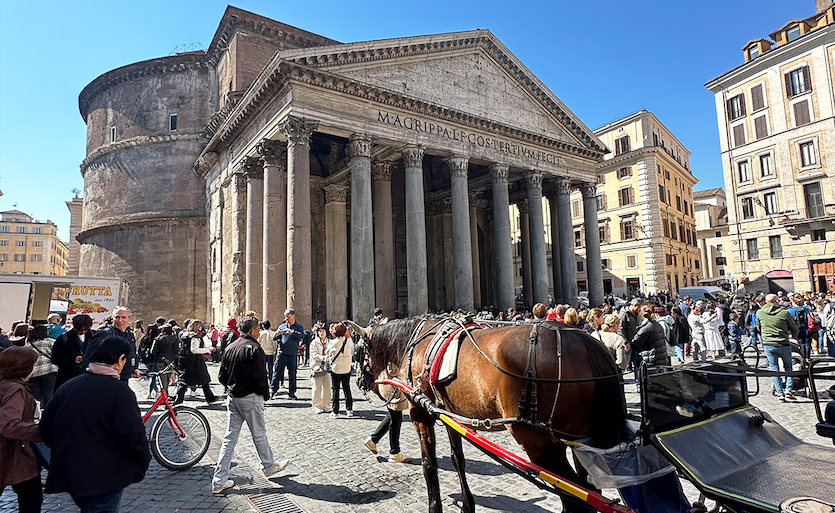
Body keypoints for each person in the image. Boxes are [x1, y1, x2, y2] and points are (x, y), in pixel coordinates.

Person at [41, 336, 151, 512]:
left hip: (72, 471)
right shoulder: (120, 392)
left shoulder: (69, 386)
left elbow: (45, 429)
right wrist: (143, 462)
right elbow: (133, 436)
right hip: (104, 475)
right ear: (120, 359)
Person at [212, 316, 289, 494]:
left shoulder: (230, 347)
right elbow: (261, 377)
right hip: (250, 397)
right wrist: (265, 394)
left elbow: (221, 376)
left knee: (229, 439)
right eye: (258, 329)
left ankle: (218, 481)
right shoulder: (255, 349)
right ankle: (268, 465)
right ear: (252, 331)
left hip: (233, 397)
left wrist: (230, 387)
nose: (260, 331)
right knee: (259, 434)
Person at [0, 346, 43, 513]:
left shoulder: (6, 384)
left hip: (13, 453)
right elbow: (8, 425)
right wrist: (40, 431)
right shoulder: (15, 388)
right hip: (14, 453)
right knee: (31, 499)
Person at [363, 357, 412, 463]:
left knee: (393, 415)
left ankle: (373, 440)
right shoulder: (392, 353)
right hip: (392, 386)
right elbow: (393, 370)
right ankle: (394, 452)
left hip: (388, 384)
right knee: (396, 419)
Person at [80, 306, 141, 383]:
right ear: (112, 318)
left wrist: (134, 368)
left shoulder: (129, 334)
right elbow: (88, 357)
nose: (120, 320)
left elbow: (132, 353)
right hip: (105, 379)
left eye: (123, 317)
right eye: (117, 317)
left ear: (130, 319)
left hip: (123, 378)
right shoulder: (103, 335)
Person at [757, 293, 799, 401]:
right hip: (783, 342)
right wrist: (794, 337)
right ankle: (788, 390)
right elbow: (794, 328)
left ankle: (780, 393)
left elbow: (758, 327)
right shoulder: (784, 313)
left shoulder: (760, 313)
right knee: (788, 367)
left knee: (774, 368)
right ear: (776, 301)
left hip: (768, 343)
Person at [173, 320, 218, 405]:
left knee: (187, 380)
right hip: (194, 361)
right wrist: (207, 350)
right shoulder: (195, 337)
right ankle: (179, 399)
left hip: (186, 360)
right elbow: (194, 350)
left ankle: (210, 397)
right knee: (200, 379)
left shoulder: (185, 336)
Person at [51, 314, 93, 391]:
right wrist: (73, 359)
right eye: (79, 330)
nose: (83, 332)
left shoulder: (93, 336)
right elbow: (54, 358)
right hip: (68, 377)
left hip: (89, 377)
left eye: (86, 330)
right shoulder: (64, 338)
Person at [271, 308, 303, 400]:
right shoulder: (282, 326)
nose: (286, 319)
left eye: (288, 317)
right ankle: (273, 390)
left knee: (292, 374)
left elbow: (301, 336)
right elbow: (274, 338)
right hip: (281, 353)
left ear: (293, 316)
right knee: (277, 372)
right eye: (285, 317)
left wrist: (292, 332)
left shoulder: (299, 326)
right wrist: (276, 335)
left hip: (292, 353)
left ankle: (292, 392)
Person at [25, 324, 58, 407]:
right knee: (48, 394)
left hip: (33, 373)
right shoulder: (51, 342)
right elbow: (56, 356)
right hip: (49, 371)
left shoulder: (28, 346)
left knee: (36, 397)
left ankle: (35, 414)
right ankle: (48, 413)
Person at [327, 322, 354, 418]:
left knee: (336, 390)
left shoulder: (333, 342)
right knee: (347, 388)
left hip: (336, 368)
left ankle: (335, 411)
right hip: (346, 367)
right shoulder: (349, 341)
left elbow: (328, 353)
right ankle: (349, 409)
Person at [628, 305, 668, 370]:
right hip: (659, 359)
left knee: (648, 379)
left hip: (650, 361)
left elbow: (635, 344)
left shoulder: (645, 328)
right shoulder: (657, 325)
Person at [150, 324, 179, 397]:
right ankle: (165, 394)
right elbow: (176, 350)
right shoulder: (174, 339)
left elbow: (152, 351)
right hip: (170, 360)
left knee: (162, 379)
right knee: (167, 378)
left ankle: (164, 395)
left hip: (160, 360)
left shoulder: (158, 339)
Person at [309, 323, 331, 414]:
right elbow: (314, 355)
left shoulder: (329, 342)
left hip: (327, 367)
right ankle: (316, 405)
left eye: (323, 331)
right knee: (316, 388)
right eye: (319, 331)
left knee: (327, 387)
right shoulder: (314, 343)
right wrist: (323, 357)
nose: (321, 333)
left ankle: (325, 404)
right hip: (317, 367)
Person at [618, 299, 642, 371]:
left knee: (637, 364)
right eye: (639, 307)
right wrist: (625, 342)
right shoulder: (624, 314)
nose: (640, 309)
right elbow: (620, 329)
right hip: (628, 342)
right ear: (634, 306)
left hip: (636, 342)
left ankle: (638, 380)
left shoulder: (638, 314)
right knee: (625, 363)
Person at [139, 323, 161, 399]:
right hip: (155, 359)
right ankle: (150, 392)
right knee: (153, 376)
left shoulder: (144, 338)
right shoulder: (157, 338)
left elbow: (139, 349)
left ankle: (156, 390)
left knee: (152, 375)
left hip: (146, 359)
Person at [787, 295, 812, 360]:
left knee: (796, 343)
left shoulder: (790, 310)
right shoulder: (806, 309)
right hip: (805, 327)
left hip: (795, 328)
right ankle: (807, 357)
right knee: (806, 343)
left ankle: (801, 357)